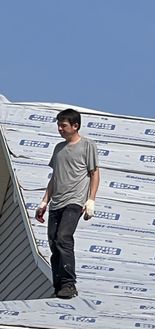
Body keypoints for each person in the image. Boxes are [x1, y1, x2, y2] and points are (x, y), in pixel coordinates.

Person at [34, 108, 101, 298]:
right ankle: (59, 285)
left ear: (75, 126)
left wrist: (91, 200)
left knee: (64, 237)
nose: (60, 129)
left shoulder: (87, 145)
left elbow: (94, 173)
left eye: (63, 125)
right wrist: (44, 202)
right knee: (54, 242)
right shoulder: (58, 149)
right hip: (57, 202)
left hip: (75, 201)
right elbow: (55, 177)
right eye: (58, 125)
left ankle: (69, 284)